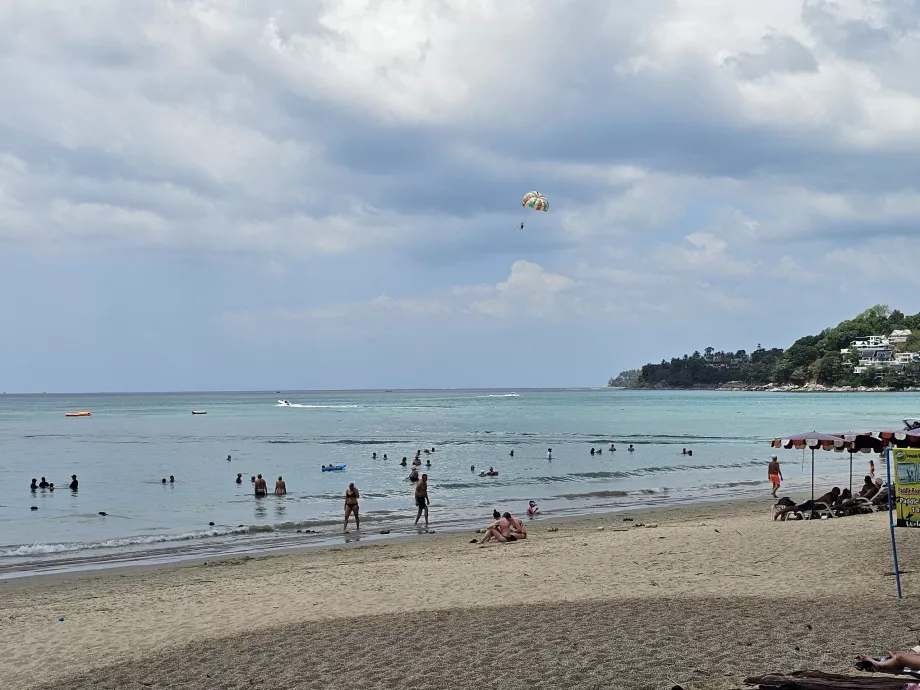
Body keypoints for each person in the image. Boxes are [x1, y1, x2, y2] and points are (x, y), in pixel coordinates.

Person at [773, 487, 841, 521]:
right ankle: (779, 512)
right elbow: (830, 505)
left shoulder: (833, 496)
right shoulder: (828, 496)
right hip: (811, 504)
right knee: (796, 508)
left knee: (797, 508)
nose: (838, 495)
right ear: (833, 492)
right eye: (837, 493)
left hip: (814, 504)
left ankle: (782, 512)